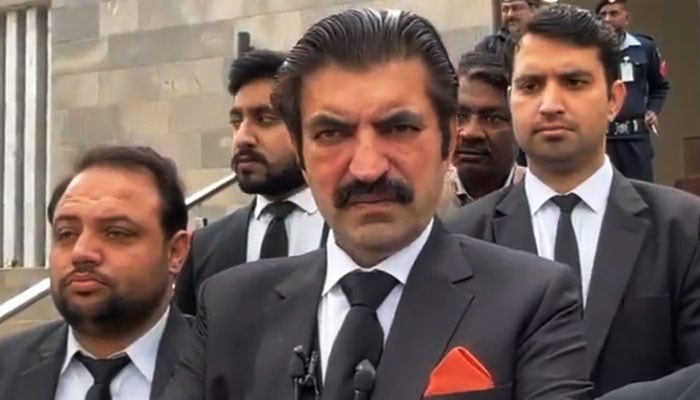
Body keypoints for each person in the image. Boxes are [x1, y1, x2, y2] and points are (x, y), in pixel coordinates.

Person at [161, 8, 592, 400]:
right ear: (300, 151)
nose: (367, 168)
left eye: (399, 128)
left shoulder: (532, 301)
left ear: (448, 141)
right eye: (332, 134)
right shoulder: (229, 308)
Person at [448, 4, 700, 396]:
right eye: (531, 86)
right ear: (511, 98)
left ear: (614, 99)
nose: (550, 103)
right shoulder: (460, 240)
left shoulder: (684, 229)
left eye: (574, 82)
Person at [0, 146, 193, 399]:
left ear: (175, 252)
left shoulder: (226, 368)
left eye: (116, 233)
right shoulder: (7, 367)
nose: (81, 252)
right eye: (66, 233)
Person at [174, 49, 329, 315]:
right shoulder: (205, 246)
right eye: (237, 122)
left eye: (265, 119)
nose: (243, 137)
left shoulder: (355, 233)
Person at [437, 51, 526, 220]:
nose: (470, 133)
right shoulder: (422, 203)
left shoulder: (543, 200)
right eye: (460, 116)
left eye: (492, 118)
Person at [596, 0, 670, 182]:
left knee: (640, 191)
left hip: (635, 138)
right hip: (602, 138)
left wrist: (653, 110)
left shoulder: (644, 47)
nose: (607, 19)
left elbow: (659, 86)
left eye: (614, 13)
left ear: (626, 18)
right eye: (602, 15)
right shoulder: (592, 51)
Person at [475, 0, 542, 56]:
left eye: (516, 8)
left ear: (533, 10)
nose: (510, 14)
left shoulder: (545, 42)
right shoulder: (488, 46)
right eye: (505, 9)